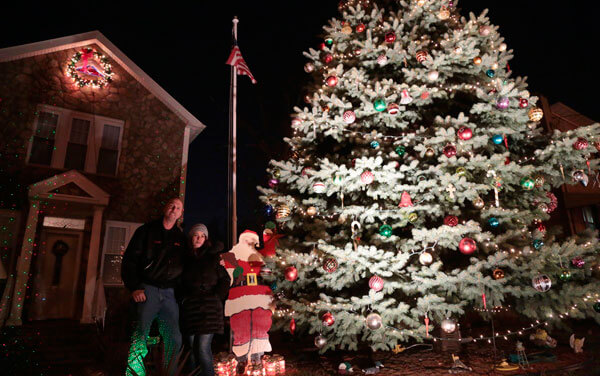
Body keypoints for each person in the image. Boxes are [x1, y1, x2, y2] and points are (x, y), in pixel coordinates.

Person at [121, 198, 186, 375]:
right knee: (140, 335)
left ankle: (168, 373)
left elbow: (188, 264)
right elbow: (130, 261)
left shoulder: (180, 237)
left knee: (174, 338)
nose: (174, 209)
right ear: (165, 207)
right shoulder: (146, 231)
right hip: (147, 290)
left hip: (169, 294)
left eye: (178, 208)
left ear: (180, 214)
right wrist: (135, 287)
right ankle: (134, 373)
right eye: (172, 205)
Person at [179, 223, 229, 376]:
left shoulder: (213, 257)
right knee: (191, 348)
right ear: (191, 237)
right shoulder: (184, 258)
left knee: (202, 347)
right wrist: (183, 298)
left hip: (209, 308)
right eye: (196, 235)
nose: (199, 238)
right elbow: (178, 281)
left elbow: (225, 279)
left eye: (202, 236)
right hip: (191, 308)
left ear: (206, 239)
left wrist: (216, 297)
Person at [221, 230, 273, 372]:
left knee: (260, 324)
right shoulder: (233, 255)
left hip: (259, 295)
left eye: (252, 241)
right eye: (246, 240)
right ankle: (241, 359)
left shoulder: (259, 258)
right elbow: (227, 269)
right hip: (240, 294)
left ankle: (256, 358)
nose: (249, 243)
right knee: (240, 324)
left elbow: (267, 275)